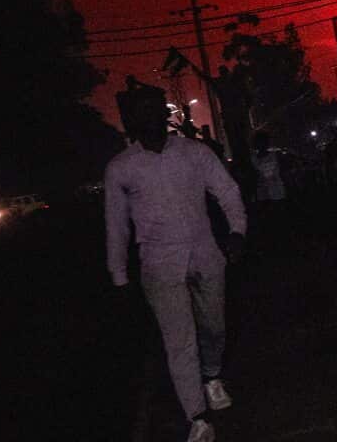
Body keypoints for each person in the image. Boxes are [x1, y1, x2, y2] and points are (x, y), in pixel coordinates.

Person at [105, 85, 247, 442]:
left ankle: (212, 374)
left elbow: (226, 190)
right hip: (159, 264)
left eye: (155, 109)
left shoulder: (194, 153)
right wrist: (119, 276)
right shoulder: (121, 168)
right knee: (179, 340)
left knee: (213, 325)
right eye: (141, 111)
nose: (150, 116)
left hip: (205, 253)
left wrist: (237, 230)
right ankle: (197, 416)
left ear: (165, 114)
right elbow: (116, 224)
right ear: (131, 120)